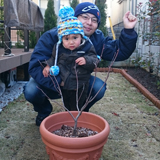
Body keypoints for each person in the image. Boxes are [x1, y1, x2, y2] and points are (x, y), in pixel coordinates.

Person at [23, 2, 138, 126]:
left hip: (78, 83)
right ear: (75, 17)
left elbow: (119, 52)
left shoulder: (96, 38)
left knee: (98, 87)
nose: (89, 22)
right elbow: (36, 65)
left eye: (94, 20)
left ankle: (79, 113)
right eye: (85, 17)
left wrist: (129, 30)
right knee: (31, 90)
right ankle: (44, 111)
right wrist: (59, 81)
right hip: (54, 82)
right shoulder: (52, 36)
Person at [42, 6, 98, 112]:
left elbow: (95, 59)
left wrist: (87, 60)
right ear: (61, 39)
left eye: (75, 38)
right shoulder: (59, 47)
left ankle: (79, 117)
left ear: (81, 37)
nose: (71, 42)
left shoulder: (86, 46)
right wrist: (49, 65)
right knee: (67, 104)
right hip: (65, 82)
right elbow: (54, 58)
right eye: (66, 38)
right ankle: (69, 118)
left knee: (78, 105)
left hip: (81, 83)